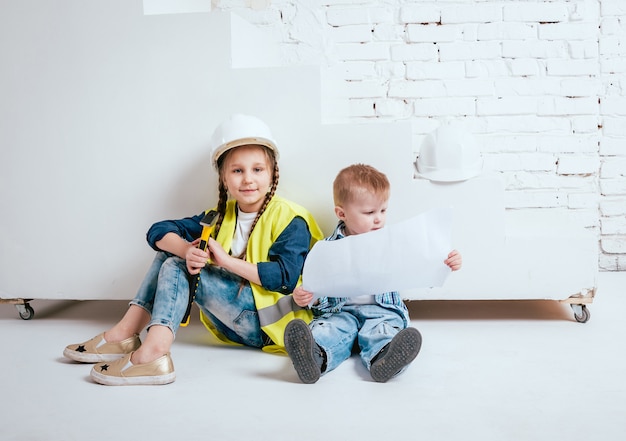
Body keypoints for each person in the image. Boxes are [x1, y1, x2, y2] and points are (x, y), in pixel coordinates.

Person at [63, 114, 324, 385]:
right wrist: (187, 250)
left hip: (269, 328)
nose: (248, 179)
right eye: (237, 170)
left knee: (176, 265)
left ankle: (152, 353)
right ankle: (125, 335)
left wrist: (224, 261)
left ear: (272, 173)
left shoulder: (290, 218)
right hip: (230, 326)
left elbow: (285, 278)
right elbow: (158, 231)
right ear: (223, 177)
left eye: (257, 169)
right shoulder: (219, 216)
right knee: (174, 252)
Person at [284, 163, 462, 384]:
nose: (378, 219)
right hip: (340, 312)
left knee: (383, 330)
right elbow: (315, 289)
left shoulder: (394, 241)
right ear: (342, 213)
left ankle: (385, 358)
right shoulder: (327, 249)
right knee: (329, 329)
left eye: (383, 210)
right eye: (369, 213)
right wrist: (305, 297)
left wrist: (444, 262)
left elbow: (420, 265)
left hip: (381, 310)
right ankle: (314, 355)